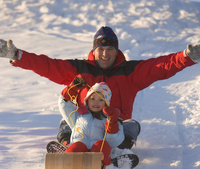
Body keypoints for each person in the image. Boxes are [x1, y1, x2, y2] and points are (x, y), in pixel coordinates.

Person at [0, 26, 200, 148]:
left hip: (114, 128)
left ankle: (118, 153)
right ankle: (66, 145)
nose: (105, 54)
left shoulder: (130, 72)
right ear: (94, 51)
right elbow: (47, 65)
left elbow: (160, 67)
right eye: (101, 49)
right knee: (65, 121)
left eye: (110, 49)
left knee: (132, 125)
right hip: (83, 125)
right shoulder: (79, 69)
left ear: (116, 51)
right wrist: (17, 55)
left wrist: (187, 57)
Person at [58, 80, 124, 169]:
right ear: (87, 100)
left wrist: (112, 122)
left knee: (101, 146)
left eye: (101, 100)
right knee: (76, 147)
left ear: (106, 103)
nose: (96, 102)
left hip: (97, 150)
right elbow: (64, 105)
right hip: (80, 144)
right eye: (92, 99)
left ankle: (99, 166)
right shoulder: (78, 114)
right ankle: (70, 165)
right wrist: (73, 87)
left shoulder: (109, 117)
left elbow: (114, 141)